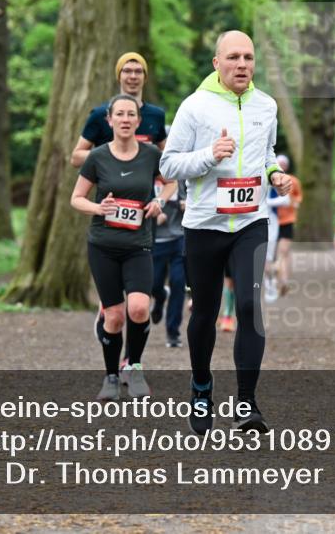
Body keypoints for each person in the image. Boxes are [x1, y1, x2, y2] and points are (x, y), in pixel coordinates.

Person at [160, 30, 292, 435]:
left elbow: (266, 153)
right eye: (233, 57)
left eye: (248, 58)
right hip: (204, 225)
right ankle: (201, 388)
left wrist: (275, 174)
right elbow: (168, 166)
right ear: (216, 62)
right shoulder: (195, 107)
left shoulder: (266, 106)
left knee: (250, 308)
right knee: (205, 313)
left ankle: (247, 404)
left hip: (250, 223)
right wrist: (208, 156)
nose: (242, 65)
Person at [69, 52, 177, 377]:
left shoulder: (156, 116)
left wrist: (160, 196)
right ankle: (111, 330)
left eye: (138, 71)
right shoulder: (100, 116)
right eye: (126, 71)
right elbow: (77, 156)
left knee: (141, 301)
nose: (132, 76)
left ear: (145, 76)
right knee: (116, 312)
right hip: (108, 216)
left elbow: (169, 162)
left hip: (141, 216)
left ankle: (134, 360)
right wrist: (109, 155)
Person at [151, 174, 186, 348]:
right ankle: (160, 297)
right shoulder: (148, 172)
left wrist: (187, 205)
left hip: (179, 238)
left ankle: (173, 332)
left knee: (178, 283)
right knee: (154, 284)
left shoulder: (181, 174)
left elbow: (196, 198)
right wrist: (152, 218)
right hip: (155, 241)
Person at [273, 154, 301, 297]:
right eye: (280, 163)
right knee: (282, 253)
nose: (282, 166)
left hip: (287, 220)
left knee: (282, 253)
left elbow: (298, 197)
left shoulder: (293, 181)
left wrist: (294, 202)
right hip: (272, 220)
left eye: (284, 163)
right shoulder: (270, 179)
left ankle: (283, 281)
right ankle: (282, 280)